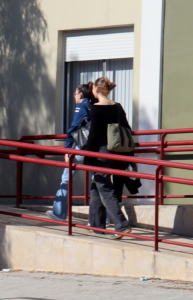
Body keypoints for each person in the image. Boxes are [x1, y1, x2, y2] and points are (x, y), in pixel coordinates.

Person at [81, 77, 132, 238]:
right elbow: (127, 128)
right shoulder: (117, 107)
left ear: (96, 90)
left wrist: (87, 158)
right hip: (116, 151)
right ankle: (97, 225)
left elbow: (93, 136)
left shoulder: (96, 108)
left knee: (104, 187)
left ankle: (122, 225)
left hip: (101, 152)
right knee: (97, 186)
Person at [47, 83, 94, 221]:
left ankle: (59, 213)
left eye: (74, 94)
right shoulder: (93, 106)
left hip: (81, 149)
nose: (74, 97)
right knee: (98, 181)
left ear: (80, 95)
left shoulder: (81, 106)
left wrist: (67, 150)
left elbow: (73, 129)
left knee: (66, 179)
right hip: (93, 149)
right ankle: (105, 217)